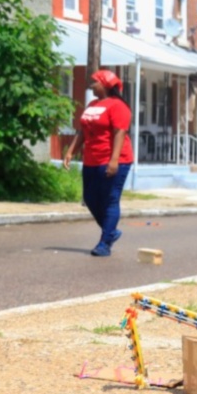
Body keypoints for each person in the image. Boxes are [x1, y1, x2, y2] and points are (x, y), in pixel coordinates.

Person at [62, 70, 134, 257]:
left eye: (95, 82)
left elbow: (120, 133)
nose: (92, 86)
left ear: (105, 85)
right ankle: (110, 231)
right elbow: (82, 131)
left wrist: (114, 160)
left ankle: (104, 243)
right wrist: (71, 151)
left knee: (110, 198)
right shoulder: (92, 105)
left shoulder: (119, 106)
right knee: (90, 198)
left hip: (115, 159)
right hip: (91, 159)